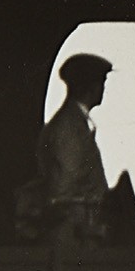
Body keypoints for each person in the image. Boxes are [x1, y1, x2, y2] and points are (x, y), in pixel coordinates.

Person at [37, 53, 112, 242]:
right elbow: (66, 191)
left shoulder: (75, 123)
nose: (102, 89)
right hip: (74, 238)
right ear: (89, 87)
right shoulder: (69, 128)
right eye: (100, 82)